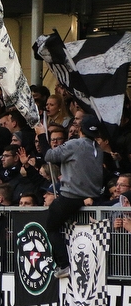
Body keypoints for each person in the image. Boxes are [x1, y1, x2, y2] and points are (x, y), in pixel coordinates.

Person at [36, 114, 105, 279]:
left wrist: (41, 135)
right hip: (93, 197)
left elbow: (49, 156)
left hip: (72, 196)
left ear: (80, 129)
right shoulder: (98, 149)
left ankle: (63, 265)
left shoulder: (75, 144)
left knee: (51, 225)